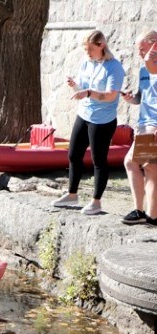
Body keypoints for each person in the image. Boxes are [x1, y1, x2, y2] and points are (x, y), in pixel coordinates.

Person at [52, 30, 125, 215]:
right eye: (86, 49)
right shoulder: (87, 63)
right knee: (73, 155)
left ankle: (96, 202)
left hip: (103, 120)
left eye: (91, 49)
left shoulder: (114, 67)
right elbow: (84, 88)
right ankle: (72, 194)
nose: (88, 53)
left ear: (101, 46)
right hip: (84, 114)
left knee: (98, 161)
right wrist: (75, 85)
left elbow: (110, 96)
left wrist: (89, 92)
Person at [121, 30, 157, 225]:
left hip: (153, 125)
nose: (140, 53)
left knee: (137, 164)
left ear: (154, 44)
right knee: (150, 168)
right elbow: (142, 97)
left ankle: (144, 213)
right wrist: (131, 98)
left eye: (142, 49)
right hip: (144, 125)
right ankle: (149, 215)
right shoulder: (144, 70)